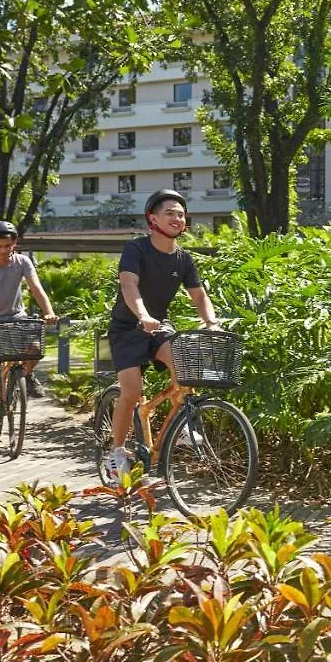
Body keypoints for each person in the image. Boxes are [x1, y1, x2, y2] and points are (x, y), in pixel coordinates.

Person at [104, 189, 219, 479]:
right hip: (127, 328)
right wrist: (142, 315)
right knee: (132, 394)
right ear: (152, 219)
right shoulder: (136, 249)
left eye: (181, 214)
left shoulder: (183, 259)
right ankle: (116, 453)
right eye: (170, 213)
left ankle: (184, 427)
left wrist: (211, 322)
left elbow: (199, 295)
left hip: (157, 326)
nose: (177, 218)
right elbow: (129, 285)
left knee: (184, 365)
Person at [0, 221, 59, 438]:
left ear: (14, 244)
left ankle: (25, 374)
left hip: (17, 318)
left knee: (35, 349)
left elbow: (36, 288)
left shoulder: (22, 262)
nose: (3, 251)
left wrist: (49, 312)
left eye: (7, 246)